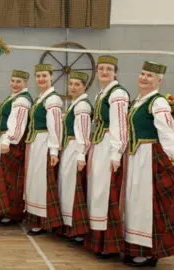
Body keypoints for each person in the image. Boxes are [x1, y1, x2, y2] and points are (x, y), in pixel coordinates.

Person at [123, 61, 174, 267]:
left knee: (146, 204)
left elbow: (167, 133)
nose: (144, 78)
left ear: (159, 81)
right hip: (136, 156)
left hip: (149, 156)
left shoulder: (158, 102)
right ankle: (135, 246)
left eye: (149, 76)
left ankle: (148, 251)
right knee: (134, 202)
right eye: (142, 74)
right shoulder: (138, 101)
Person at [84, 55, 129, 259]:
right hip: (100, 144)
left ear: (115, 72)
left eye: (108, 69)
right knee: (97, 192)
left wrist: (117, 154)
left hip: (110, 145)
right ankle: (98, 240)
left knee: (106, 192)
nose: (104, 72)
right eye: (101, 68)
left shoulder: (117, 94)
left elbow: (120, 125)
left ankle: (109, 244)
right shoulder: (101, 93)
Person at [24, 64, 63, 235]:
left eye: (44, 76)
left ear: (51, 77)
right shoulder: (41, 97)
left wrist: (54, 150)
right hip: (36, 142)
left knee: (42, 182)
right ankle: (37, 219)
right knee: (35, 181)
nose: (40, 79)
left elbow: (55, 126)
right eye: (38, 76)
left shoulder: (52, 99)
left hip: (44, 142)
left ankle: (44, 221)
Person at [0, 70, 33, 226]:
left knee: (11, 179)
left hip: (13, 143)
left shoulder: (22, 101)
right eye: (13, 81)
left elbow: (18, 124)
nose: (14, 84)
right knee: (7, 178)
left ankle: (11, 212)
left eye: (18, 82)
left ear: (26, 84)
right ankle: (4, 210)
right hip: (8, 140)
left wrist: (8, 140)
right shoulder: (15, 97)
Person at [56, 72, 92, 244]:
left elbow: (83, 133)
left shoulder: (83, 106)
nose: (73, 87)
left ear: (84, 87)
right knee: (67, 186)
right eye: (71, 84)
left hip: (75, 147)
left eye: (78, 84)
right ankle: (68, 225)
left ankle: (76, 228)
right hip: (69, 147)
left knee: (73, 187)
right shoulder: (74, 104)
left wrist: (81, 155)